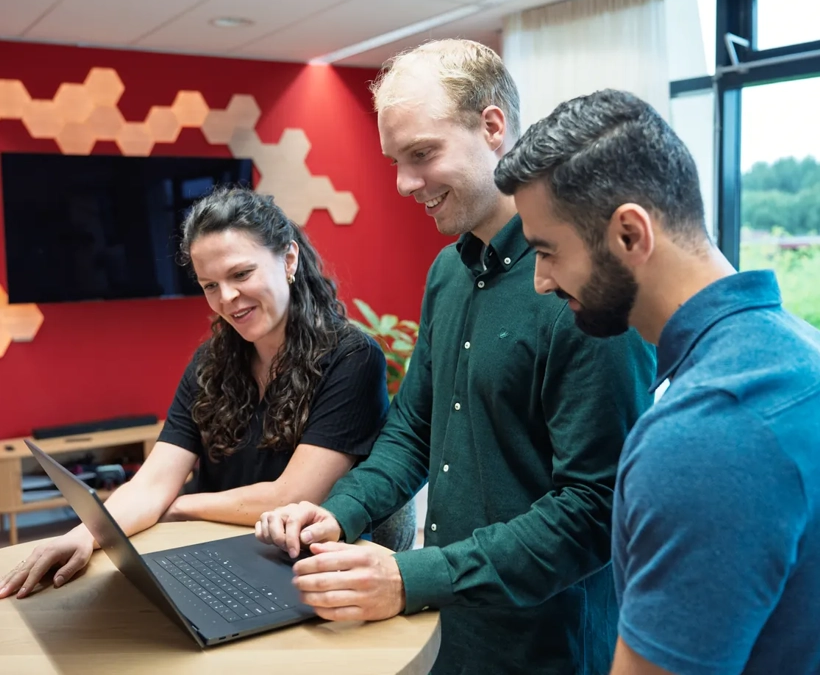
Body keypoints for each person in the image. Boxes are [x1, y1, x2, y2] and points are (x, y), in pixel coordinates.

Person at [254, 40, 657, 674]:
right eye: (396, 161)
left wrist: (410, 576)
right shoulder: (449, 271)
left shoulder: (584, 287)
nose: (403, 183)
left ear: (492, 127)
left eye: (422, 154)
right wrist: (335, 514)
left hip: (542, 648)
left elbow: (593, 510)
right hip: (443, 629)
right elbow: (414, 429)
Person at [494, 88, 820, 675]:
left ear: (629, 234)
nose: (540, 281)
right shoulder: (801, 353)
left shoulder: (705, 435)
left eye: (547, 251)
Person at [0, 187, 393, 600]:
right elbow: (154, 482)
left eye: (241, 274)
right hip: (212, 554)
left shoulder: (352, 357)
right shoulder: (211, 361)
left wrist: (181, 506)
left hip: (303, 569)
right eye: (210, 285)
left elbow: (291, 496)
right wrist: (84, 535)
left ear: (289, 259)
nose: (227, 298)